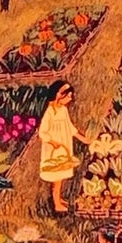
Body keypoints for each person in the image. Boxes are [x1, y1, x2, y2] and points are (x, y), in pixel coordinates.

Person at [37, 81, 90, 214]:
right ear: (59, 95)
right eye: (68, 96)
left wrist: (82, 138)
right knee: (57, 177)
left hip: (64, 146)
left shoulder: (63, 110)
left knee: (60, 176)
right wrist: (52, 142)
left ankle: (58, 198)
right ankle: (56, 204)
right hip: (54, 149)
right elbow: (42, 132)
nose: (70, 99)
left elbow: (69, 127)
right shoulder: (50, 112)